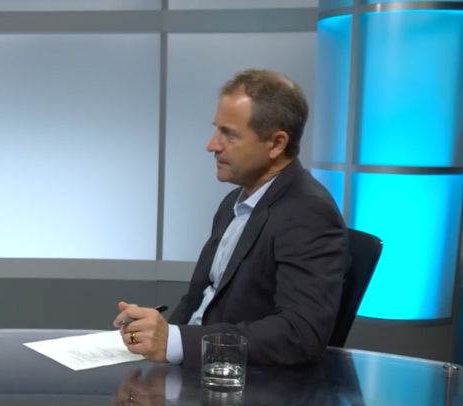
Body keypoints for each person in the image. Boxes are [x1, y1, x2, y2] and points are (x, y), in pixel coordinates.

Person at [113, 69, 350, 368]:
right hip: (194, 371)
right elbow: (202, 300)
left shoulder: (309, 213)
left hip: (246, 393)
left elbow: (300, 333)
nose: (212, 145)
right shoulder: (233, 203)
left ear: (276, 144)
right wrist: (158, 336)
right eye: (216, 130)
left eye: (230, 134)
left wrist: (176, 342)